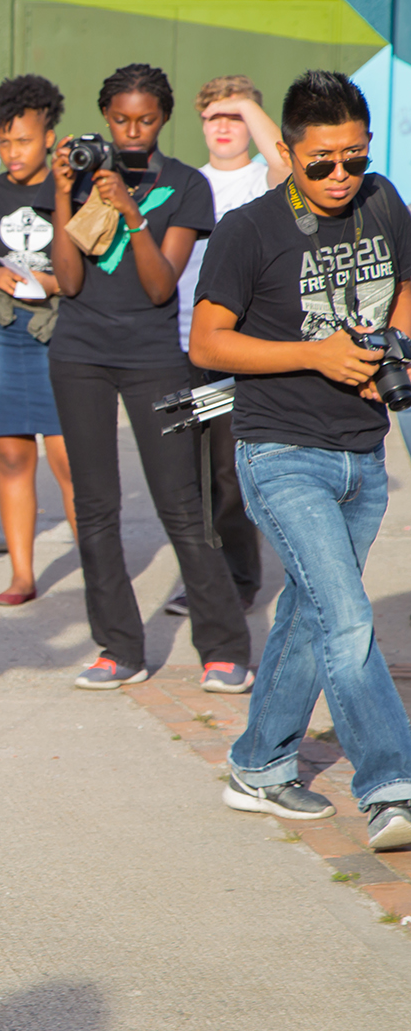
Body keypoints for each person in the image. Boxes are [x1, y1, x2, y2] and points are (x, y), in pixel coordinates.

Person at [189, 71, 411, 848]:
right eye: (321, 163)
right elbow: (206, 341)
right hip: (281, 452)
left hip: (362, 458)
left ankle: (259, 764)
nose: (340, 176)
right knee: (348, 618)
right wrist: (315, 356)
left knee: (310, 614)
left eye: (354, 157)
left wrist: (400, 348)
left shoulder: (382, 202)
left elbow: (404, 284)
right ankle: (392, 782)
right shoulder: (251, 229)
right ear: (287, 152)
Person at [46, 64, 252, 691]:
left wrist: (131, 212)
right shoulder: (78, 177)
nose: (132, 132)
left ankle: (223, 648)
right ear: (104, 117)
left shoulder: (187, 186)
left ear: (163, 119)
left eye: (146, 120)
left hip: (154, 359)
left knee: (182, 507)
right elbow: (71, 281)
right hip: (77, 354)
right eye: (120, 120)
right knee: (95, 505)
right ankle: (118, 649)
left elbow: (163, 286)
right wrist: (64, 196)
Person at [165, 75, 289, 622]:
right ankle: (206, 581)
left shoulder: (267, 181)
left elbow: (287, 162)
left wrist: (244, 101)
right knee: (187, 472)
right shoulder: (188, 183)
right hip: (177, 347)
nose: (223, 125)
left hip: (231, 355)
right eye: (213, 115)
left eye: (234, 116)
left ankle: (240, 578)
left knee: (225, 471)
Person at [0, 75, 77, 606]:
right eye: (5, 142)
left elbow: (91, 267)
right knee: (10, 456)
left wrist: (51, 283)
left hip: (61, 332)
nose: (13, 152)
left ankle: (98, 565)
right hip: (2, 334)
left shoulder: (73, 190)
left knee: (70, 459)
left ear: (49, 136)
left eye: (23, 141)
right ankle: (22, 576)